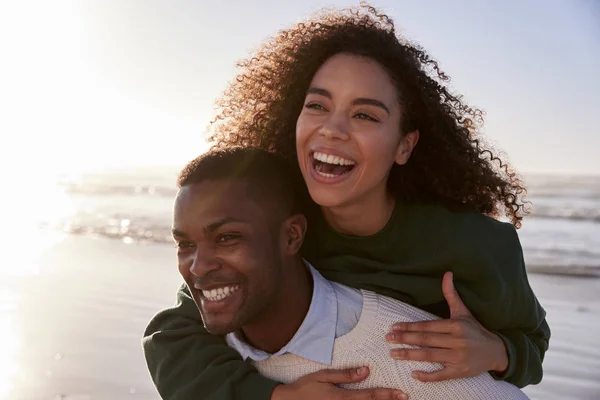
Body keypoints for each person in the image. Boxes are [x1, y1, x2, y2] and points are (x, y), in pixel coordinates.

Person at [143, 5, 550, 400]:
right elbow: (174, 335)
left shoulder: (475, 244)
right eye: (317, 106)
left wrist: (498, 351)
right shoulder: (277, 223)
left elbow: (532, 341)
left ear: (404, 145)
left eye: (365, 116)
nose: (332, 129)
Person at [172, 147, 528, 400]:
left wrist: (502, 351)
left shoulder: (412, 361)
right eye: (185, 244)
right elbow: (167, 334)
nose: (199, 267)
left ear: (293, 236)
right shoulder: (204, 349)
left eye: (227, 237)